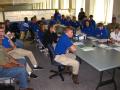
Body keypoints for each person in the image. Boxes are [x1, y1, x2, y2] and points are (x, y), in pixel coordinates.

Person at [0, 22, 33, 90]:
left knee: (22, 60)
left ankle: (19, 78)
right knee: (21, 69)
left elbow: (8, 56)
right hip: (2, 70)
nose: (2, 34)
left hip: (5, 62)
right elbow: (5, 65)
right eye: (0, 32)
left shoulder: (1, 45)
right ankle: (23, 87)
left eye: (3, 31)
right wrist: (16, 65)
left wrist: (16, 61)